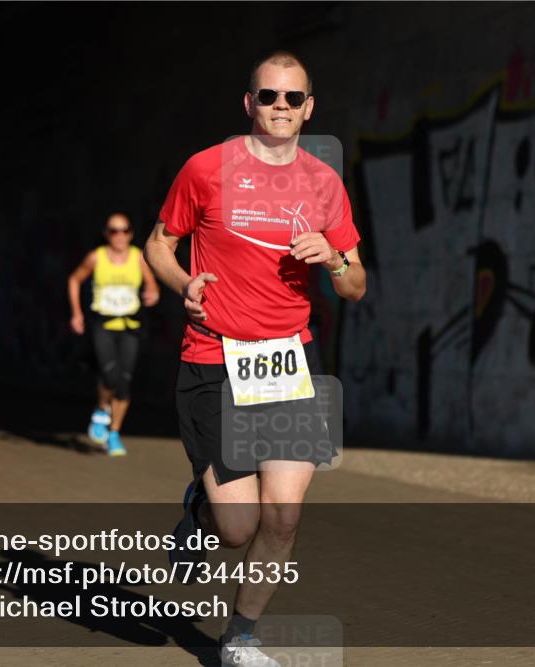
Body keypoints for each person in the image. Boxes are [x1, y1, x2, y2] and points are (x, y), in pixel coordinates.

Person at [144, 51, 366, 666]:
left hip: (288, 362)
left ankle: (240, 637)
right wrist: (181, 282)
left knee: (284, 515)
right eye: (268, 96)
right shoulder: (206, 168)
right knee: (238, 528)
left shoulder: (325, 183)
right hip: (214, 358)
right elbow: (158, 244)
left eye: (292, 98)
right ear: (249, 102)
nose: (280, 107)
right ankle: (199, 506)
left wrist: (336, 258)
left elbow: (356, 285)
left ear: (309, 107)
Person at [68, 213, 160, 456]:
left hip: (129, 325)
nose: (119, 235)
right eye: (114, 231)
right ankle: (101, 409)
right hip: (103, 325)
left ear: (131, 233)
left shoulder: (138, 257)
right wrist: (76, 314)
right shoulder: (95, 257)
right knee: (110, 375)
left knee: (125, 381)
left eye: (124, 230)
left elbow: (152, 284)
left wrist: (153, 292)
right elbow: (74, 280)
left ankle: (115, 433)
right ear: (106, 233)